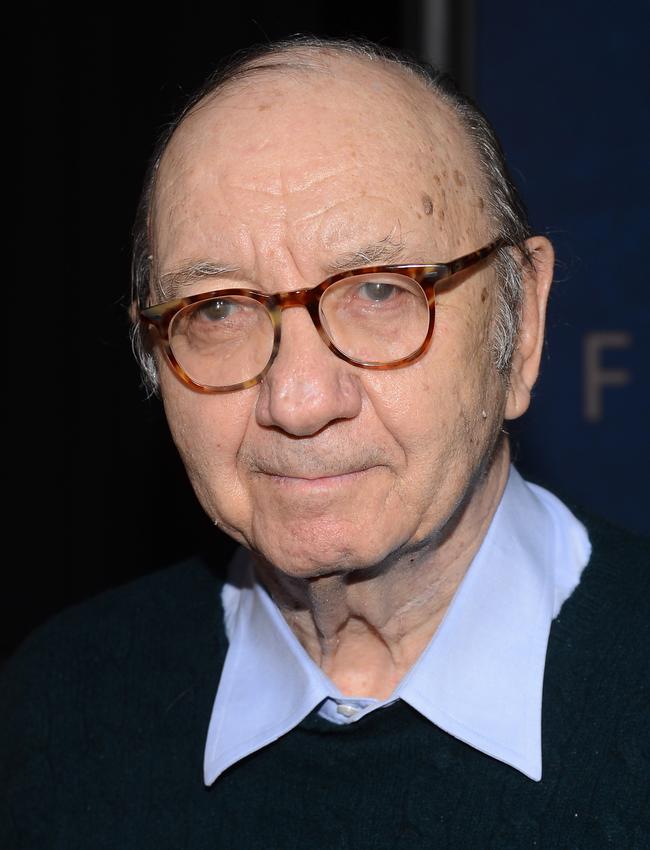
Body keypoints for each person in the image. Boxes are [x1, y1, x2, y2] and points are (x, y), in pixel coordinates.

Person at [2, 36, 648, 850]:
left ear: (521, 328)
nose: (299, 401)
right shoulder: (53, 712)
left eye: (381, 290)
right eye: (218, 310)